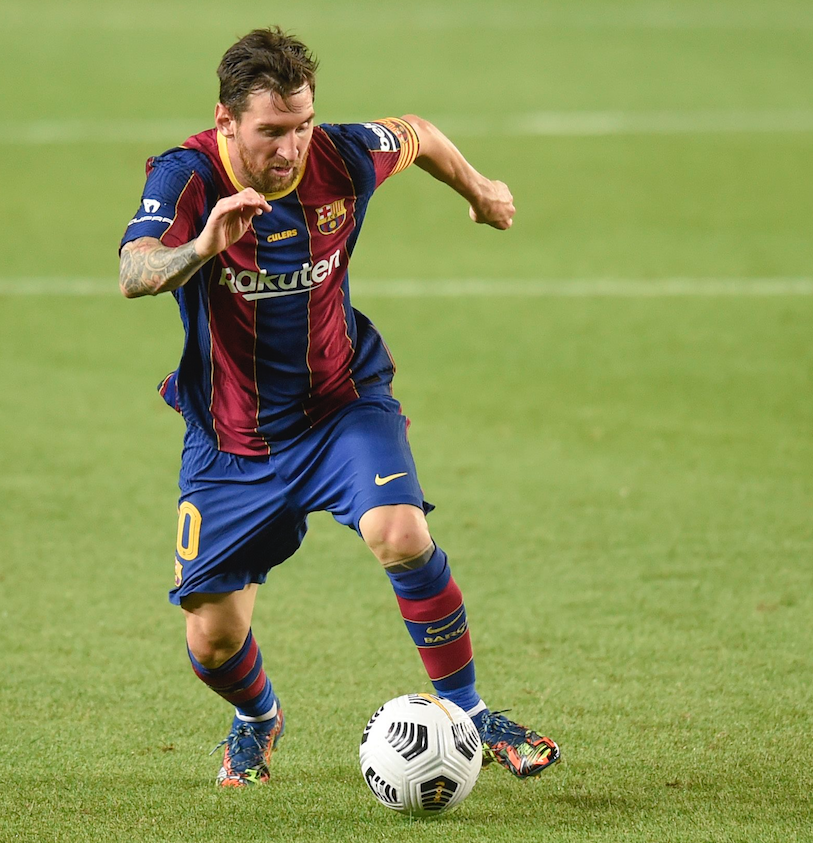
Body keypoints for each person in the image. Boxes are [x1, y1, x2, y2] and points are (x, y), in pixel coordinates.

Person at [118, 26, 560, 788]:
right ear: (226, 120)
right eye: (271, 131)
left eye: (302, 125)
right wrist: (202, 248)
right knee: (212, 641)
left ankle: (471, 713)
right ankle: (258, 717)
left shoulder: (343, 156)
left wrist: (481, 190)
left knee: (401, 533)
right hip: (232, 439)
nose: (291, 148)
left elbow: (417, 134)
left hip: (340, 406)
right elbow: (134, 271)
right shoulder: (187, 176)